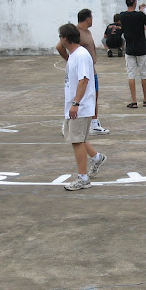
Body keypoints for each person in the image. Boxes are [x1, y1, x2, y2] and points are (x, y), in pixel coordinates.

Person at [58, 23, 107, 191]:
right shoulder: (74, 55)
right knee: (78, 137)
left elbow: (84, 80)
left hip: (80, 106)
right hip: (77, 106)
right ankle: (96, 157)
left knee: (77, 140)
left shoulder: (80, 55)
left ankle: (83, 178)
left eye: (60, 36)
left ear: (65, 38)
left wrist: (76, 104)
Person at [56, 9, 109, 135]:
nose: (92, 20)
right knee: (78, 96)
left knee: (94, 96)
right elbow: (59, 46)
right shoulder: (75, 32)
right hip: (83, 70)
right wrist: (70, 60)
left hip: (91, 70)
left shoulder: (88, 32)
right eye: (91, 18)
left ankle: (94, 123)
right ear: (88, 19)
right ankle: (68, 124)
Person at [120, 0, 146, 108]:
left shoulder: (122, 16)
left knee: (131, 75)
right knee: (144, 75)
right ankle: (145, 99)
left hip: (130, 48)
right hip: (142, 48)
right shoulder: (140, 15)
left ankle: (134, 101)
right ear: (135, 3)